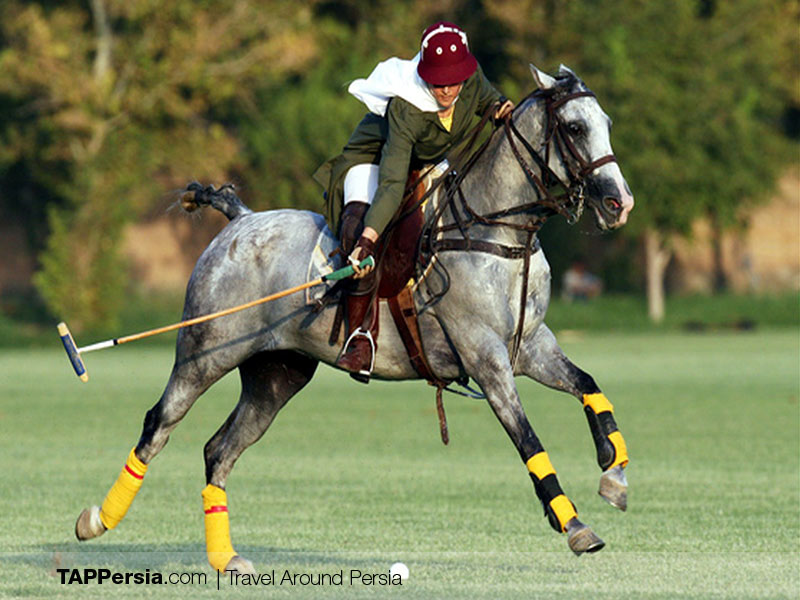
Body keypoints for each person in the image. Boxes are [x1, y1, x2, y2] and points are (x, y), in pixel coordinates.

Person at [314, 21, 514, 382]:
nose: (448, 88)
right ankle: (360, 338)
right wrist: (367, 239)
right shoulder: (407, 106)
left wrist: (502, 105)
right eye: (439, 80)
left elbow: (489, 97)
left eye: (454, 79)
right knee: (360, 230)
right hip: (373, 159)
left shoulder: (469, 81)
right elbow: (391, 182)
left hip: (422, 165)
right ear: (425, 74)